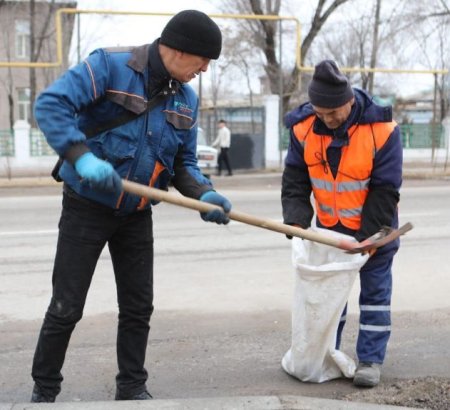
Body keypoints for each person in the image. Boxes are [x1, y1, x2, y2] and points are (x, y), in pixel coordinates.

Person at [30, 10, 232, 403]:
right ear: (177, 49)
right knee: (66, 306)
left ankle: (132, 387)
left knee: (139, 308)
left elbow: (183, 165)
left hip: (137, 213)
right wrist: (81, 157)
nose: (205, 70)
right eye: (203, 60)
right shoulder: (109, 65)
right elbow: (50, 105)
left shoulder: (186, 99)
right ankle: (44, 389)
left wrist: (203, 194)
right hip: (85, 207)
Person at [282, 60, 402, 387]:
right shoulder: (303, 127)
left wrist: (367, 241)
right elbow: (295, 179)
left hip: (374, 232)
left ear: (349, 100)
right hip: (330, 234)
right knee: (330, 299)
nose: (328, 118)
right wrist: (296, 224)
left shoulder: (383, 130)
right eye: (320, 112)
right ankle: (326, 354)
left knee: (375, 298)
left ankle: (370, 361)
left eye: (334, 111)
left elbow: (385, 188)